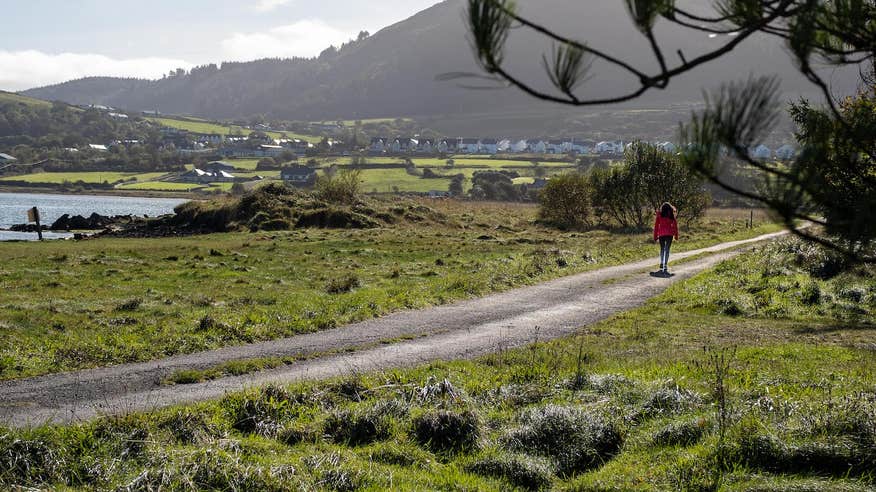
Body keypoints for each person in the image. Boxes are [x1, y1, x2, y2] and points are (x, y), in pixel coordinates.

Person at [653, 202, 679, 276]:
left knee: (662, 249)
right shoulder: (671, 216)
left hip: (661, 234)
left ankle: (661, 262)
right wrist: (676, 235)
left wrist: (655, 236)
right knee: (667, 249)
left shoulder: (659, 215)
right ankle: (665, 264)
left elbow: (656, 226)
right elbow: (675, 226)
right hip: (669, 234)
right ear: (670, 208)